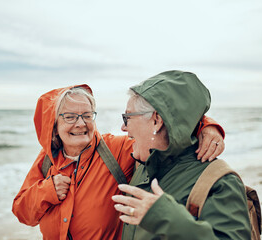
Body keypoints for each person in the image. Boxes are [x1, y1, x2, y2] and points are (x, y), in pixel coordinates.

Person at [12, 84, 225, 240]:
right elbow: (23, 213)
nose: (81, 123)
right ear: (53, 124)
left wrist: (208, 126)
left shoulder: (115, 149)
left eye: (87, 115)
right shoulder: (46, 160)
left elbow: (159, 131)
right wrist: (47, 190)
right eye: (70, 117)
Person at [112, 70, 250, 239]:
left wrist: (170, 220)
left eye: (127, 117)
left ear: (156, 120)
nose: (123, 128)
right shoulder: (140, 165)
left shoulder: (220, 182)